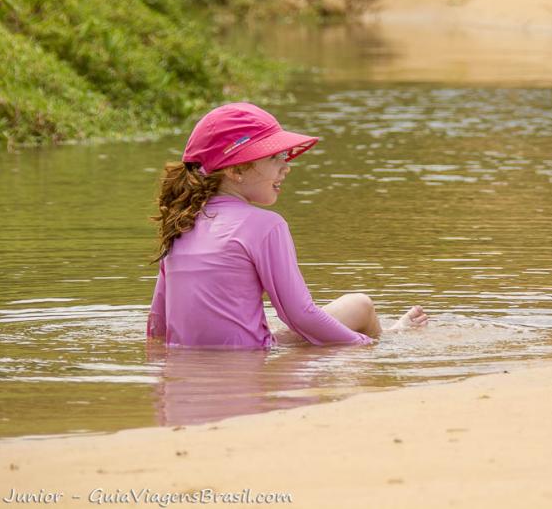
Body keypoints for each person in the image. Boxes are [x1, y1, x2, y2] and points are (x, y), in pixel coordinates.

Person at [146, 102, 428, 348]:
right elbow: (300, 315)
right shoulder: (265, 225)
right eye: (274, 157)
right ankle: (387, 338)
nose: (286, 166)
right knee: (362, 306)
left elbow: (157, 327)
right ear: (235, 170)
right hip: (252, 360)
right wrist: (363, 345)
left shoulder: (181, 223)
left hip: (192, 373)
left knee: (352, 309)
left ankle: (386, 334)